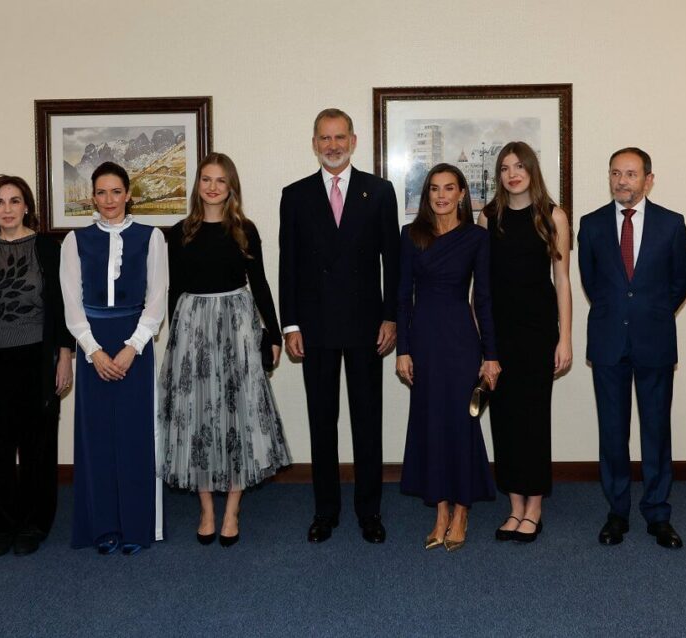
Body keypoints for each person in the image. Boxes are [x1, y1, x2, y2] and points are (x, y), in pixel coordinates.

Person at [279, 108, 400, 544]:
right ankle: (325, 511)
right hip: (314, 329)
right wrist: (289, 324)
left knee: (368, 421)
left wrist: (392, 315)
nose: (332, 145)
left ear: (354, 140)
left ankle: (370, 512)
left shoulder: (380, 192)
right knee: (321, 422)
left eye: (339, 137)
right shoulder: (294, 196)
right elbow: (287, 266)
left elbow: (394, 261)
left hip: (368, 327)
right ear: (314, 143)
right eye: (324, 138)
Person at [160, 153, 290, 547]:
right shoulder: (178, 232)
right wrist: (174, 340)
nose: (213, 187)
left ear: (231, 186)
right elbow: (173, 290)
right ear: (197, 185)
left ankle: (232, 508)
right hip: (192, 328)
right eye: (206, 180)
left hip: (237, 326)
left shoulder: (244, 230)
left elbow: (261, 284)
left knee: (238, 412)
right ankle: (206, 510)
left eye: (221, 180)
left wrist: (275, 334)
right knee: (197, 415)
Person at [0, 175, 74, 557]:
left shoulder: (48, 249)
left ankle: (33, 525)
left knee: (37, 449)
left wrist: (65, 355)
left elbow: (60, 306)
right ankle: (0, 526)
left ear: (27, 207)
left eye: (14, 201)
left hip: (36, 359)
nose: (7, 209)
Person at [577, 147, 686, 549]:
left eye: (631, 174)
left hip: (655, 341)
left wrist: (650, 314)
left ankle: (658, 513)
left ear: (648, 179)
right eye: (615, 173)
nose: (622, 181)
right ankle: (617, 513)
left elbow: (680, 283)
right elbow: (593, 283)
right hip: (608, 342)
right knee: (612, 432)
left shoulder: (671, 224)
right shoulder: (590, 225)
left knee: (657, 431)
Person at [60, 161, 168, 555]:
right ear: (93, 197)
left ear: (129, 195)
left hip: (134, 345)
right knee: (97, 438)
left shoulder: (151, 237)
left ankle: (137, 526)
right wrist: (93, 351)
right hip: (93, 347)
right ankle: (101, 525)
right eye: (101, 192)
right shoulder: (74, 242)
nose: (109, 200)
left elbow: (157, 301)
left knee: (134, 436)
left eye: (116, 192)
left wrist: (131, 347)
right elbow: (71, 305)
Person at [396, 164, 500, 552]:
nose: (441, 195)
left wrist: (491, 354)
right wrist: (403, 349)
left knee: (461, 422)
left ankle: (461, 510)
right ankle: (439, 510)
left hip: (460, 339)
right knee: (429, 422)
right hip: (423, 340)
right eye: (434, 189)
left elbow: (483, 298)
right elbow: (402, 296)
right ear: (427, 195)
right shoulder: (411, 235)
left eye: (449, 188)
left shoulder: (476, 237)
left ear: (461, 194)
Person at [477, 142, 572, 543]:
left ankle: (534, 508)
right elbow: (479, 286)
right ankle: (514, 506)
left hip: (538, 333)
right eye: (504, 168)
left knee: (533, 421)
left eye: (519, 166)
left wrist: (565, 338)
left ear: (532, 169)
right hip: (500, 333)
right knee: (503, 420)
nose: (512, 173)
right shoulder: (487, 217)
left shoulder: (553, 215)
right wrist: (484, 345)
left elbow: (563, 280)